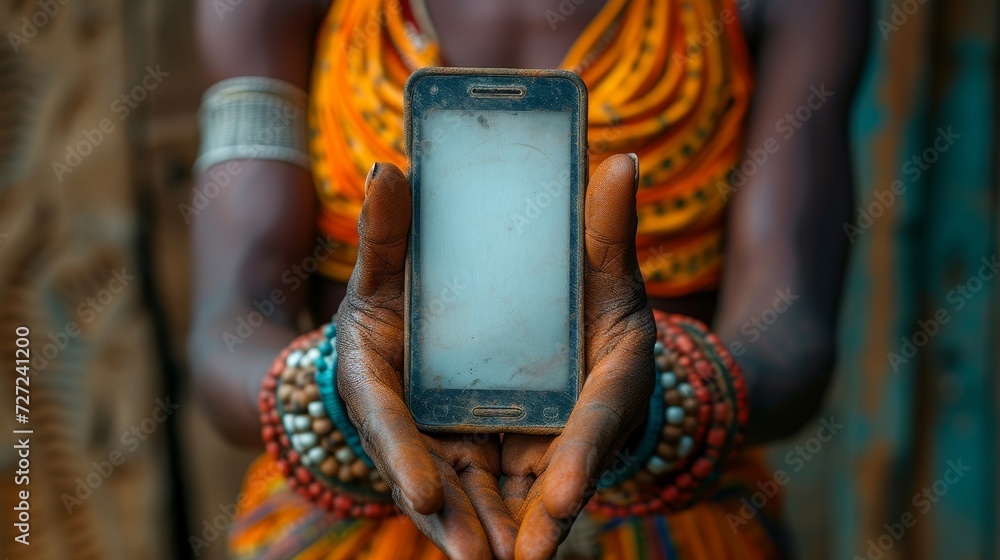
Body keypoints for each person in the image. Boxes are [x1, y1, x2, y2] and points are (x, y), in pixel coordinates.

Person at [188, 0, 869, 558]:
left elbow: (793, 335)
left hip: (664, 523)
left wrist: (653, 403)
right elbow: (226, 329)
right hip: (346, 528)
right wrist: (337, 390)